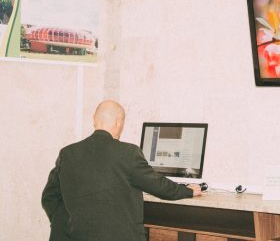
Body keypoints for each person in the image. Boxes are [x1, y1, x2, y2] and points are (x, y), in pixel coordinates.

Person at [41, 100, 202, 241]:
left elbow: (48, 197)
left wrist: (68, 225)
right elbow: (158, 185)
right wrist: (186, 191)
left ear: (94, 121)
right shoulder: (128, 153)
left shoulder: (67, 153)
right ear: (118, 123)